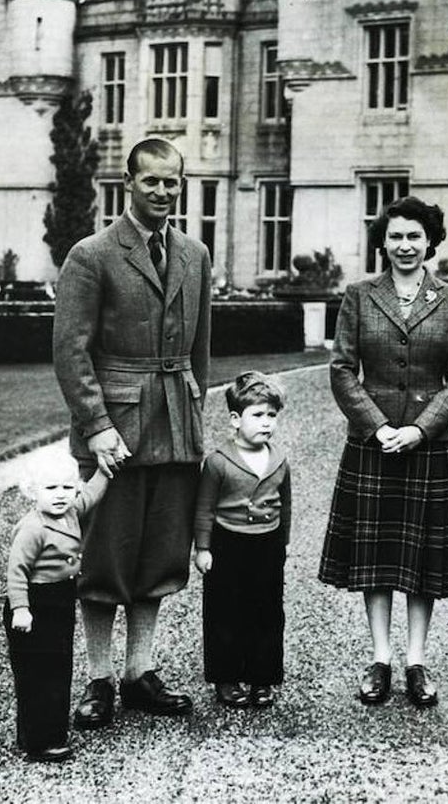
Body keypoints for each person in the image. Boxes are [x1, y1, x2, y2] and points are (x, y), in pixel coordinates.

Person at [53, 136, 212, 728]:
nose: (164, 192)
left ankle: (138, 673)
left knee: (159, 555)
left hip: (176, 426)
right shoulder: (91, 255)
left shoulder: (195, 254)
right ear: (129, 183)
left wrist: (194, 417)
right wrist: (95, 427)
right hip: (115, 432)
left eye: (172, 182)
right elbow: (71, 353)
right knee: (103, 559)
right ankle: (97, 680)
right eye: (152, 182)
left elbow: (199, 353)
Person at [319, 195, 448, 708]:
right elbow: (342, 368)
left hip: (427, 448)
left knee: (422, 559)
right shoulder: (360, 295)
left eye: (414, 237)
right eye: (396, 237)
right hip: (374, 446)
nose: (405, 246)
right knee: (377, 556)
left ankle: (416, 661)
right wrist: (378, 426)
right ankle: (380, 659)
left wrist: (422, 430)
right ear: (382, 242)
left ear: (430, 242)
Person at [194, 371, 292, 709]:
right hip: (227, 544)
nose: (266, 423)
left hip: (267, 544)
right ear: (236, 420)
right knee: (225, 611)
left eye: (271, 415)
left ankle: (262, 678)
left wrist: (283, 543)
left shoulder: (278, 458)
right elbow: (204, 507)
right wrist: (203, 548)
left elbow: (285, 502)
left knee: (266, 610)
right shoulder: (219, 462)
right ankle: (226, 677)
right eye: (258, 415)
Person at [4, 451, 108, 763]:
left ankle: (51, 733)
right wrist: (21, 608)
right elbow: (16, 571)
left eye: (66, 487)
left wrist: (104, 470)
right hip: (35, 605)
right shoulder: (33, 528)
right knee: (38, 673)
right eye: (50, 489)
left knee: (59, 667)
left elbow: (91, 496)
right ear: (32, 491)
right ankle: (39, 741)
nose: (60, 495)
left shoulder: (71, 512)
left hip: (60, 599)